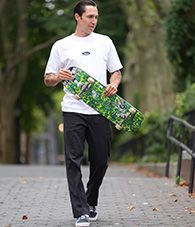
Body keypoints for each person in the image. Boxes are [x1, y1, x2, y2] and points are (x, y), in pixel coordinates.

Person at [44, 0, 122, 226]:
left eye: (96, 17)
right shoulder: (61, 45)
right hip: (72, 109)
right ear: (77, 17)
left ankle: (90, 200)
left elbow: (116, 71)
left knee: (101, 160)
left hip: (100, 109)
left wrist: (114, 84)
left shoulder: (105, 42)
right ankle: (80, 212)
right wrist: (59, 76)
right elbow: (47, 79)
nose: (94, 21)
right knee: (73, 160)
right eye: (90, 17)